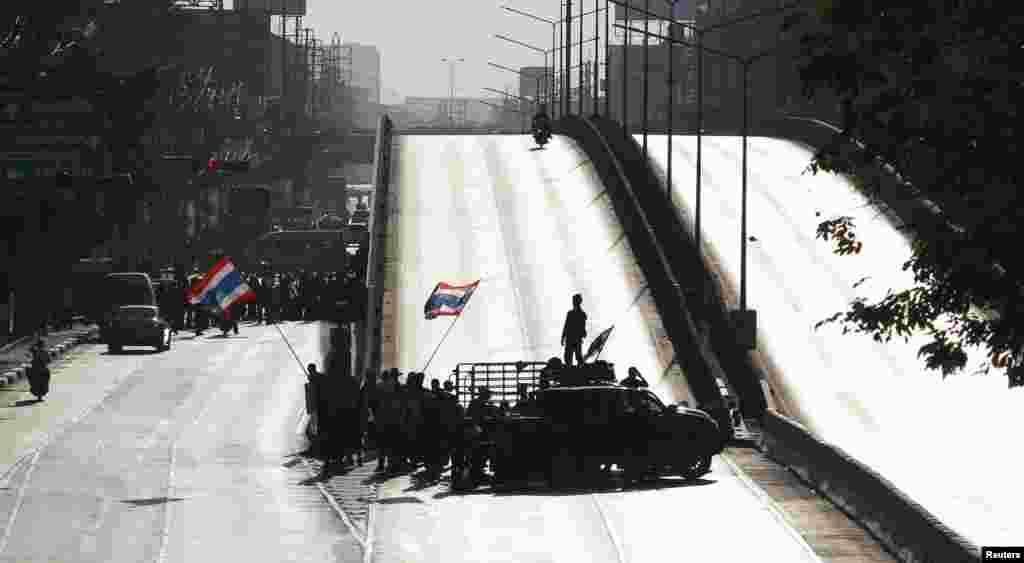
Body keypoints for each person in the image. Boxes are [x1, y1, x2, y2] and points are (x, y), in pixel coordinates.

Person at [561, 294, 587, 367]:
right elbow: (566, 326)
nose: (573, 302)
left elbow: (567, 326)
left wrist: (563, 337)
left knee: (577, 356)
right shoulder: (576, 314)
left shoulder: (580, 314)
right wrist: (563, 337)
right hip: (572, 338)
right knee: (570, 357)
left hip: (574, 338)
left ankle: (578, 370)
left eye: (574, 301)